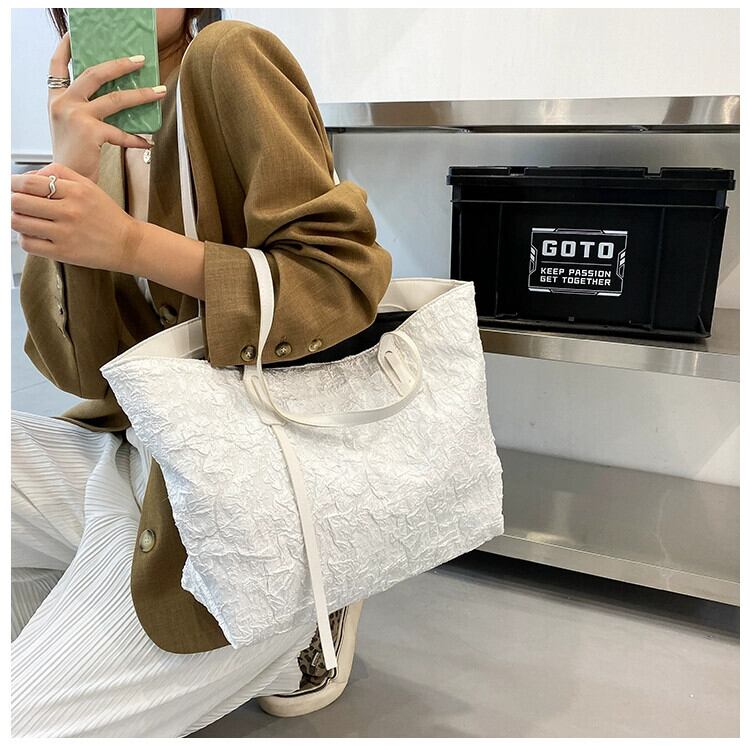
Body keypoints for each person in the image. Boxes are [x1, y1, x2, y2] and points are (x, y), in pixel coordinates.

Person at [10, 8, 391, 737]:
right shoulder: (92, 124)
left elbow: (341, 285)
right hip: (140, 458)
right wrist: (70, 174)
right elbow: (79, 372)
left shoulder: (228, 57)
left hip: (250, 494)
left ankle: (305, 627)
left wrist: (130, 242)